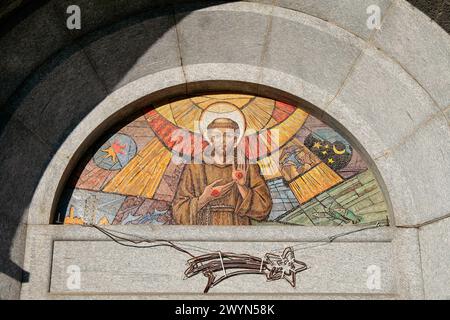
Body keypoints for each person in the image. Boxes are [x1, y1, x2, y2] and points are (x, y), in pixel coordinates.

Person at [172, 116, 272, 225]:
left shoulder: (247, 166)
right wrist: (204, 198)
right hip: (204, 231)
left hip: (238, 230)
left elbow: (264, 209)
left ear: (235, 139)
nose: (223, 141)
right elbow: (178, 211)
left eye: (228, 135)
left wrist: (242, 186)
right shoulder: (195, 166)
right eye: (217, 136)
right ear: (211, 139)